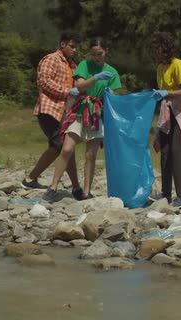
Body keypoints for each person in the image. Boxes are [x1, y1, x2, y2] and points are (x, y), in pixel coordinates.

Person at [42, 37, 121, 202]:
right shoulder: (85, 65)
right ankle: (53, 187)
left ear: (106, 51)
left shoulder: (112, 72)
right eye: (93, 54)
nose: (96, 58)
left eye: (99, 54)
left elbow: (113, 96)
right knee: (67, 148)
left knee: (90, 155)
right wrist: (96, 78)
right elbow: (79, 86)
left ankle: (86, 192)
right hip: (81, 109)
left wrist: (110, 94)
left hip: (97, 113)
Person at [22, 30, 84, 199]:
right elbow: (45, 81)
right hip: (49, 109)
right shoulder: (51, 59)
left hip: (65, 111)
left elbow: (80, 86)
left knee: (64, 147)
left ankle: (33, 179)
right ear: (62, 44)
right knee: (62, 146)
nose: (74, 50)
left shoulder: (73, 66)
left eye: (76, 47)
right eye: (72, 46)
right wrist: (67, 92)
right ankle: (73, 187)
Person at [149, 31, 181, 207]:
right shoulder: (160, 67)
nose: (157, 52)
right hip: (166, 110)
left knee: (177, 151)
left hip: (179, 110)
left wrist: (167, 93)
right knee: (165, 151)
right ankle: (166, 193)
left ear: (166, 48)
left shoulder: (177, 64)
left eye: (159, 48)